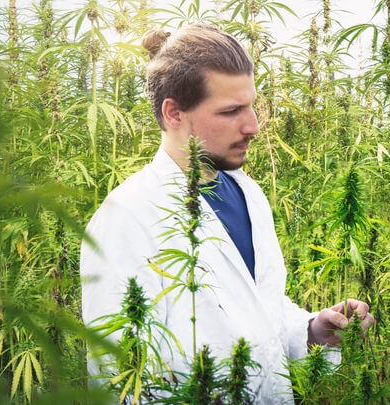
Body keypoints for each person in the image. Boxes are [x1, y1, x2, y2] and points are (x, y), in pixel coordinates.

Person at [80, 24, 374, 403]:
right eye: (231, 111)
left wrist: (311, 330)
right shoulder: (126, 218)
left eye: (251, 105)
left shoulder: (246, 192)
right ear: (174, 113)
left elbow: (258, 308)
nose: (253, 126)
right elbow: (118, 379)